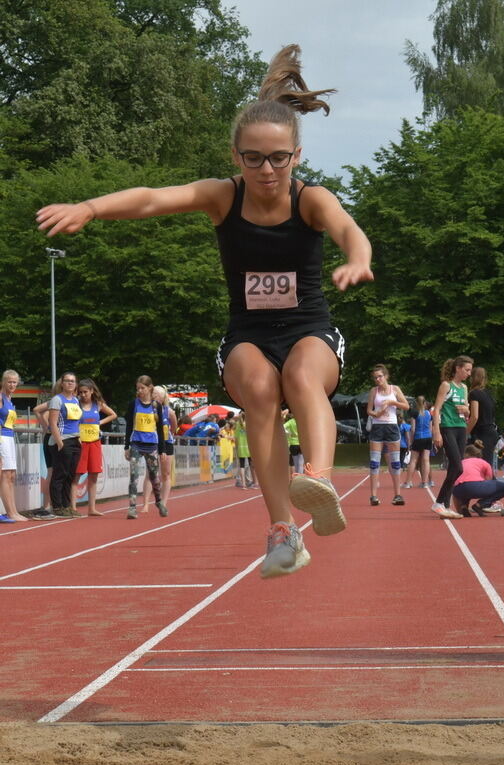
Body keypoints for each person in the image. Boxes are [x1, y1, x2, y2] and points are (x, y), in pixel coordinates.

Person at [37, 44, 373, 578]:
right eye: (253, 158)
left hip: (310, 328)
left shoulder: (310, 198)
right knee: (259, 391)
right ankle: (283, 531)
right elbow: (153, 198)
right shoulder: (224, 197)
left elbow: (348, 229)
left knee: (301, 375)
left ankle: (319, 479)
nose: (267, 169)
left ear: (297, 156)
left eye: (279, 158)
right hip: (247, 333)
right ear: (236, 157)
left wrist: (358, 259)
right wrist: (91, 207)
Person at [431, 356, 474, 520]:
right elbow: (436, 409)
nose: (469, 374)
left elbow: (467, 411)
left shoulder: (464, 387)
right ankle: (439, 502)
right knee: (458, 467)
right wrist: (436, 432)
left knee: (454, 468)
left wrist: (466, 410)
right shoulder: (446, 385)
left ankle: (445, 506)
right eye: (467, 370)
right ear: (458, 368)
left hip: (461, 428)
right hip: (448, 427)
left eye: (470, 370)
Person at [124, 375, 167, 520]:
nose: (140, 391)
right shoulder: (133, 404)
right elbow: (129, 426)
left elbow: (160, 429)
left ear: (150, 388)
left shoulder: (157, 406)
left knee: (154, 477)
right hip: (136, 444)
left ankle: (159, 501)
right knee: (134, 476)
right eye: (138, 388)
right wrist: (126, 446)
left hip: (152, 446)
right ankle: (132, 507)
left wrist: (162, 450)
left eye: (142, 388)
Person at [366, 364, 410, 507]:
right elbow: (369, 410)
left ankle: (397, 495)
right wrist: (376, 413)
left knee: (395, 462)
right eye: (375, 377)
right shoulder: (374, 391)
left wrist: (392, 402)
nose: (377, 379)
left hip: (391, 427)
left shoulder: (395, 389)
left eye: (380, 376)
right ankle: (373, 496)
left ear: (386, 376)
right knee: (374, 463)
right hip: (377, 427)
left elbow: (406, 405)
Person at [72, 378, 117, 516]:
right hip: (80, 444)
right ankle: (73, 508)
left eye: (85, 392)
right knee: (76, 475)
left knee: (94, 475)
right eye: (80, 392)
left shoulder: (98, 404)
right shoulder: (76, 404)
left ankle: (92, 508)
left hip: (95, 443)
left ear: (91, 391)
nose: (83, 395)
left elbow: (113, 415)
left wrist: (99, 423)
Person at [48, 372, 82, 517]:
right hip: (62, 440)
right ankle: (57, 506)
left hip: (75, 440)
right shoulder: (57, 400)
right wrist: (60, 443)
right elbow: (52, 423)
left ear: (76, 384)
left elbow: (78, 421)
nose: (70, 383)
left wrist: (79, 439)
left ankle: (66, 506)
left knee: (70, 475)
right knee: (60, 474)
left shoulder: (76, 400)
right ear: (62, 383)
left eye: (72, 381)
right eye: (67, 381)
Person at [142, 385, 177, 513]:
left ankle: (163, 503)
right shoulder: (146, 409)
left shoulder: (169, 411)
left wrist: (169, 434)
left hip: (166, 444)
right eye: (153, 394)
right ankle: (145, 504)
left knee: (166, 474)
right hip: (152, 443)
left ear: (163, 398)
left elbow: (174, 426)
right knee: (150, 473)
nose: (154, 396)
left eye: (157, 394)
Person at [452, 440, 504, 517]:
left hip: (459, 489)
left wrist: (458, 510)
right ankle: (480, 504)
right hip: (476, 487)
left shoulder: (460, 462)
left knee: (465, 488)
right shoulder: (484, 463)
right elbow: (489, 480)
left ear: (466, 454)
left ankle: (463, 507)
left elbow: (453, 481)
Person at [0, 370, 28, 522]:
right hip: (2, 438)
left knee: (11, 475)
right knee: (5, 475)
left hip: (10, 437)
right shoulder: (0, 397)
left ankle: (14, 510)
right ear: (3, 382)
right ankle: (10, 512)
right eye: (9, 382)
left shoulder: (10, 399)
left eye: (14, 382)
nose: (12, 385)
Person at [466, 366, 499, 465]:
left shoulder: (474, 394)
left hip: (482, 433)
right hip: (491, 431)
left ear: (473, 378)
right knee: (486, 464)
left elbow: (475, 416)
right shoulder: (488, 394)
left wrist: (465, 432)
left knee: (481, 464)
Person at [403, 395, 433, 489]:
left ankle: (408, 482)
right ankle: (425, 482)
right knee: (426, 460)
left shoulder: (415, 414)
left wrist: (411, 441)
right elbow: (430, 428)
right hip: (428, 438)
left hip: (418, 437)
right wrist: (431, 439)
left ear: (416, 403)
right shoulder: (429, 414)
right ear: (425, 403)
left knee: (413, 460)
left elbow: (413, 429)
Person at [283, 410, 304, 475]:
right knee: (301, 463)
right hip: (301, 443)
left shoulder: (291, 421)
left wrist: (289, 433)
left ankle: (297, 476)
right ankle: (300, 476)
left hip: (293, 444)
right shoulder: (301, 421)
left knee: (295, 463)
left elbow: (283, 427)